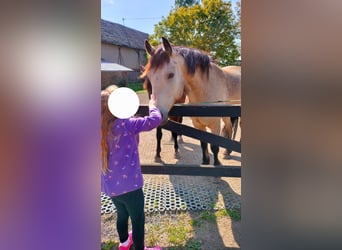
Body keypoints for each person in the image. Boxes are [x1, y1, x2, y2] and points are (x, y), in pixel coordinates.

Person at [101, 85, 162, 250]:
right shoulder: (127, 125)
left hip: (110, 186)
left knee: (121, 215)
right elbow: (155, 120)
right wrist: (153, 106)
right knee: (137, 219)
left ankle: (124, 242)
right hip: (131, 187)